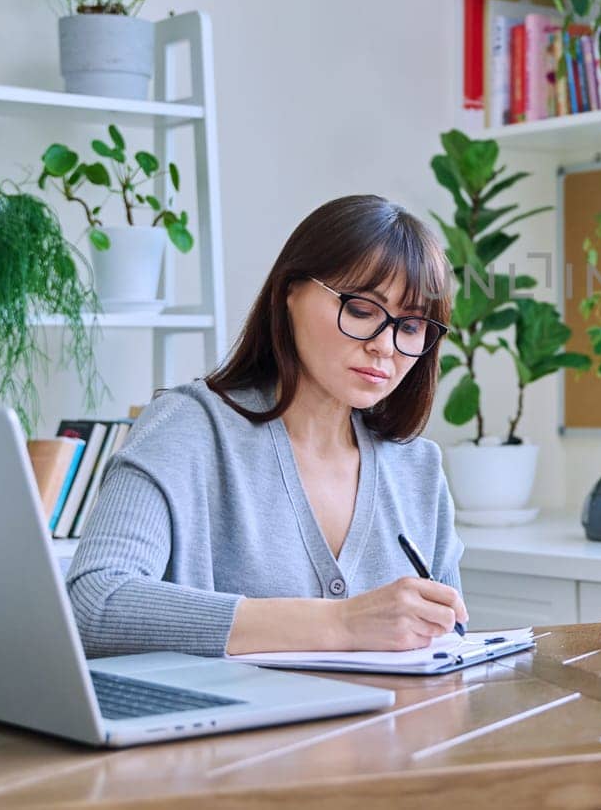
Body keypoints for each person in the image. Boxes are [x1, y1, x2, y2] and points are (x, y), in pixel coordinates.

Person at [68, 194, 469, 658]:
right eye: (361, 310)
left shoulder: (418, 468)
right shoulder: (189, 429)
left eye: (412, 325)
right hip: (224, 731)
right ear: (289, 294)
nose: (385, 345)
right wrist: (340, 623)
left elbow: (447, 650)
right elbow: (95, 606)